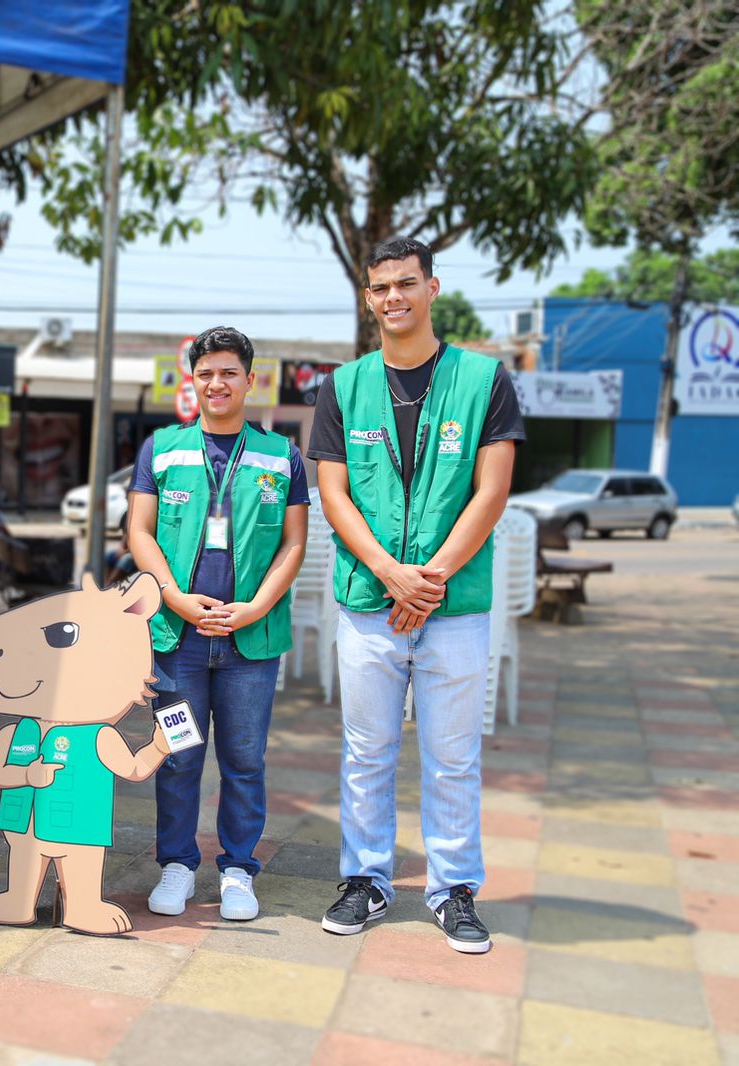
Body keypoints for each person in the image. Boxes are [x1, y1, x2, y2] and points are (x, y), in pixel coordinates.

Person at [308, 237, 524, 955]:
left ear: (432, 287)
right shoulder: (343, 388)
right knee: (366, 749)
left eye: (406, 283)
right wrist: (389, 573)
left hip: (453, 608)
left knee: (453, 753)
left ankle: (454, 887)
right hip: (369, 602)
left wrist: (425, 581)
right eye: (380, 288)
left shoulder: (484, 379)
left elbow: (490, 494)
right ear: (368, 299)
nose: (393, 298)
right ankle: (366, 879)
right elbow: (334, 496)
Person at [128, 326, 309, 922]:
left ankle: (237, 869)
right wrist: (174, 597)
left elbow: (293, 544)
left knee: (244, 759)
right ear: (193, 381)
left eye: (229, 372)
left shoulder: (282, 457)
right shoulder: (161, 449)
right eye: (206, 373)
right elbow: (139, 533)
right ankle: (177, 865)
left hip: (249, 643)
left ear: (250, 381)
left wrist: (255, 608)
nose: (217, 382)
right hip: (176, 640)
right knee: (178, 754)